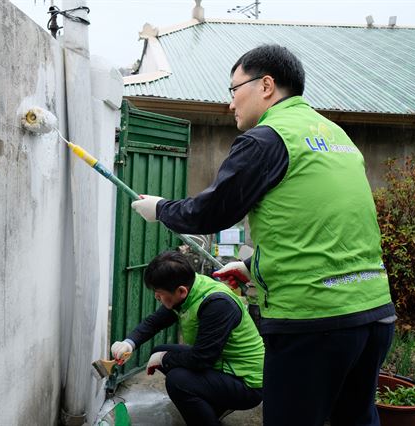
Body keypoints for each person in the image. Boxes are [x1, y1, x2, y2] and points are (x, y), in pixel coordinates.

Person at [130, 44, 396, 426]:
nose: (231, 103)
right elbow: (326, 229)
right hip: (373, 315)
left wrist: (161, 210)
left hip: (313, 319)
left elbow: (215, 210)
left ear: (266, 85)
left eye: (234, 89)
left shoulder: (267, 138)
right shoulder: (335, 136)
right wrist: (252, 266)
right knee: (355, 419)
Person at [110, 251, 264, 426]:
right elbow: (154, 322)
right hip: (224, 363)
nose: (156, 297)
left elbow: (201, 359)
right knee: (159, 352)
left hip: (247, 382)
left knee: (178, 381)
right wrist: (128, 343)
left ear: (181, 291)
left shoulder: (217, 305)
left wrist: (164, 359)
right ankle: (210, 406)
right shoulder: (190, 288)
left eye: (158, 292)